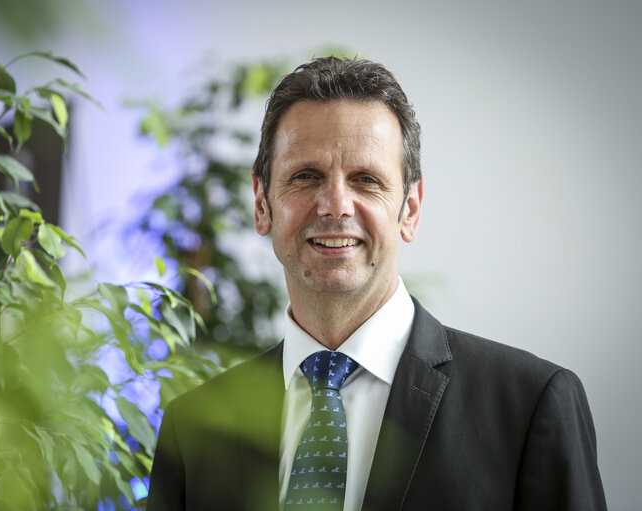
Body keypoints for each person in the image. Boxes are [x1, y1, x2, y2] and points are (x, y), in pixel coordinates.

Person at [146, 57, 606, 511]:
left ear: (410, 209)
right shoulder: (194, 428)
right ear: (263, 204)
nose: (335, 205)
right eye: (306, 176)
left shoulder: (530, 405)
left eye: (366, 180)